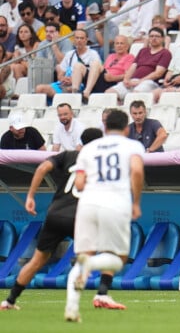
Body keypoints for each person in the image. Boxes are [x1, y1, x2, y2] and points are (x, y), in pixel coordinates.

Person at [0, 128, 114, 312]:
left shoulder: (68, 155)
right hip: (80, 217)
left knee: (37, 260)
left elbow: (42, 167)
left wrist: (30, 196)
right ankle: (102, 294)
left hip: (54, 215)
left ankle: (9, 301)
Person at [64, 110, 145, 322]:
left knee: (85, 255)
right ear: (126, 129)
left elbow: (79, 183)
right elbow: (136, 171)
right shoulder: (132, 146)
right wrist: (136, 202)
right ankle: (94, 270)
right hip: (115, 203)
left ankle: (73, 308)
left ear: (105, 127)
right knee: (118, 258)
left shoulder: (88, 149)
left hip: (87, 203)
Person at [105, 27, 172, 103]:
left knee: (134, 96)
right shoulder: (143, 51)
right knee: (109, 93)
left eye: (157, 36)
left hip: (149, 82)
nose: (154, 38)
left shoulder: (165, 53)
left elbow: (158, 73)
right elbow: (133, 67)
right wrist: (126, 79)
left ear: (162, 39)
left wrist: (140, 81)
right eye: (151, 36)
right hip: (133, 81)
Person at [35, 29, 101, 99]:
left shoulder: (93, 54)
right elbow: (61, 72)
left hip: (81, 84)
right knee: (39, 89)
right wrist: (63, 79)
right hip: (65, 84)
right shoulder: (70, 54)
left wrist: (73, 80)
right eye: (77, 38)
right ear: (74, 40)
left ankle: (70, 99)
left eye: (82, 38)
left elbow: (95, 73)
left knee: (70, 89)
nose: (79, 40)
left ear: (86, 40)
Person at [81, 35, 134, 99]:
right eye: (117, 43)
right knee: (78, 66)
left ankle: (86, 93)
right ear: (114, 46)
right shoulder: (110, 56)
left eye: (121, 43)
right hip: (102, 79)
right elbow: (104, 69)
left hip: (112, 83)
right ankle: (74, 93)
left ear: (127, 46)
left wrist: (113, 78)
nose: (119, 45)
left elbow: (127, 75)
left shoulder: (129, 57)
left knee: (96, 63)